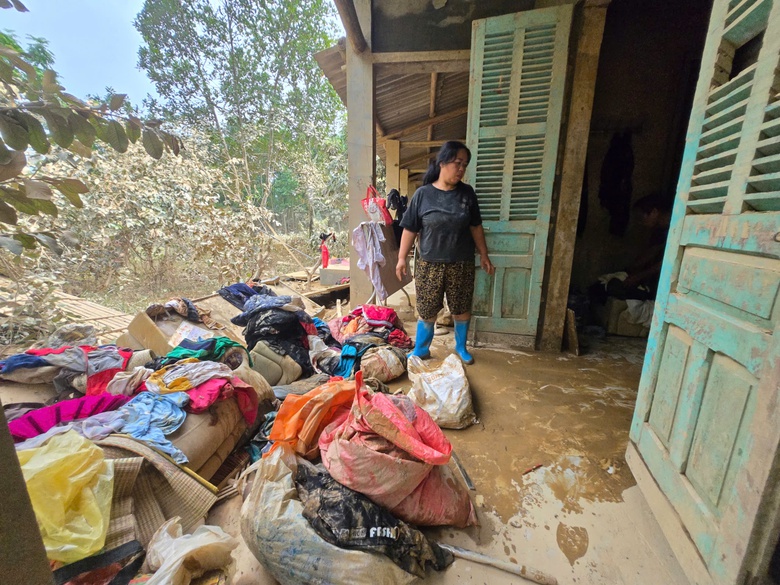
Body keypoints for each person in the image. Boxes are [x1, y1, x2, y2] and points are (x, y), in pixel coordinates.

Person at [395, 141, 495, 365]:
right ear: (442, 163)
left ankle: (460, 347)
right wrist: (402, 258)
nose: (461, 169)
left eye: (465, 165)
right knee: (428, 308)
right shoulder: (423, 194)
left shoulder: (467, 194)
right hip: (429, 264)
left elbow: (476, 227)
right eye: (457, 163)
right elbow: (410, 228)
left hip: (461, 263)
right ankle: (421, 349)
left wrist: (484, 255)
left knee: (461, 307)